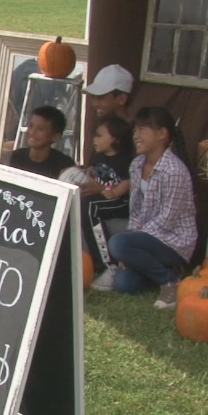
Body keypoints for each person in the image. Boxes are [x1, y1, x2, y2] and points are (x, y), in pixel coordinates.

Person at [107, 106, 197, 309]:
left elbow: (167, 219)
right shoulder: (137, 165)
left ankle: (170, 282)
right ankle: (164, 271)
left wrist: (129, 244)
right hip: (147, 238)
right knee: (124, 285)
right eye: (135, 130)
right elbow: (136, 210)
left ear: (162, 134)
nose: (135, 136)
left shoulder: (174, 170)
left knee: (118, 243)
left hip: (174, 241)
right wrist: (131, 243)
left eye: (142, 130)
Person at [85, 116, 135, 291]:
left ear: (115, 138)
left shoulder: (124, 160)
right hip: (102, 199)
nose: (94, 139)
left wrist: (114, 192)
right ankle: (92, 257)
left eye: (99, 135)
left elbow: (127, 182)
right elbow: (93, 173)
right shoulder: (98, 157)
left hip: (120, 202)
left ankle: (107, 263)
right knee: (87, 204)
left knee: (91, 206)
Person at [8, 105, 76, 179]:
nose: (32, 132)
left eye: (40, 129)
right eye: (31, 126)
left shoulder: (64, 165)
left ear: (55, 136)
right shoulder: (18, 156)